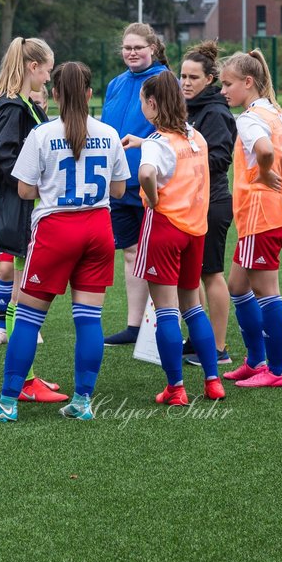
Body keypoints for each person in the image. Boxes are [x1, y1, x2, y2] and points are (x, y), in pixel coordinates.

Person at [0, 62, 130, 422]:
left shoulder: (43, 134)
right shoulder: (108, 133)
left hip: (56, 229)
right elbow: (121, 188)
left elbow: (25, 189)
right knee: (89, 321)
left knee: (28, 320)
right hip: (97, 228)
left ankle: (8, 402)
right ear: (91, 94)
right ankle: (82, 401)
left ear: (56, 94)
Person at [121, 73, 225, 404]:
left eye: (142, 101)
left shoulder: (157, 142)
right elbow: (174, 157)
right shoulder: (195, 136)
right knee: (192, 306)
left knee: (166, 310)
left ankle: (176, 388)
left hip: (165, 228)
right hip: (194, 230)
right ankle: (212, 381)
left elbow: (148, 172)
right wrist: (145, 144)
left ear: (152, 104)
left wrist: (150, 197)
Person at [219, 50, 282, 388]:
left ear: (248, 82)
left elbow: (263, 150)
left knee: (267, 292)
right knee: (237, 286)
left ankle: (277, 371)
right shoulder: (275, 112)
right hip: (267, 215)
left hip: (261, 215)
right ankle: (255, 360)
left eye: (227, 84)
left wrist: (266, 171)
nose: (223, 91)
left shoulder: (249, 119)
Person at [101, 22, 170, 346]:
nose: (131, 53)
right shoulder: (116, 83)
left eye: (138, 47)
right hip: (118, 185)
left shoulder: (163, 80)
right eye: (127, 48)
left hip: (152, 183)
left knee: (156, 254)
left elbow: (173, 128)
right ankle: (134, 325)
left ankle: (160, 325)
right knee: (130, 252)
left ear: (152, 49)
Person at [0, 37, 52, 348]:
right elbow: (1, 156)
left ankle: (20, 331)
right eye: (47, 70)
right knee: (19, 269)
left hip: (24, 204)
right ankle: (16, 342)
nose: (49, 78)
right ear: (33, 67)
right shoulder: (13, 108)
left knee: (30, 271)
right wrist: (31, 186)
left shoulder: (25, 106)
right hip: (15, 206)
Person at [180, 42, 236, 365]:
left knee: (211, 273)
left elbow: (220, 158)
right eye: (183, 76)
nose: (186, 83)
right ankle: (198, 338)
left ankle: (218, 348)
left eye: (193, 77)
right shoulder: (189, 108)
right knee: (190, 275)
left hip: (212, 204)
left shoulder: (214, 112)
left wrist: (183, 161)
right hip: (189, 205)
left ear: (210, 79)